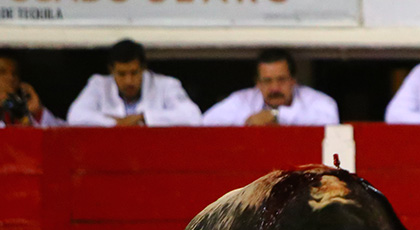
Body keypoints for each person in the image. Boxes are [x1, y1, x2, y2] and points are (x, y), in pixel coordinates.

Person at [67, 39, 201, 127]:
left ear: (143, 69)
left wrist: (144, 118)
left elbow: (193, 116)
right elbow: (75, 116)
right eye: (121, 74)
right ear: (111, 70)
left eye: (134, 73)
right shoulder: (99, 84)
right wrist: (115, 123)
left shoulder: (166, 85)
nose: (128, 81)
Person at [202, 48, 339, 126]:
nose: (275, 88)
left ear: (293, 80)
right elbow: (205, 123)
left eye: (281, 80)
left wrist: (277, 116)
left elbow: (330, 121)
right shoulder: (242, 100)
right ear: (258, 83)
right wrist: (247, 122)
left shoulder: (316, 101)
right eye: (267, 81)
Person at [0, 50, 64, 127]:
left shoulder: (24, 114)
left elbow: (62, 133)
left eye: (15, 73)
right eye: (2, 72)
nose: (11, 78)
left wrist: (38, 112)